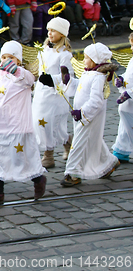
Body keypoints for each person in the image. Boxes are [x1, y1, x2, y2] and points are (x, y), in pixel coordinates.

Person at [0, 40, 47, 205]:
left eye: (11, 57)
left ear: (18, 60)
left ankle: (38, 179)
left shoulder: (23, 76)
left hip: (19, 126)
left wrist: (16, 71)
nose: (6, 61)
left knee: (22, 157)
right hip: (2, 125)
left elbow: (30, 80)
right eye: (4, 57)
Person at [60, 43, 120, 186]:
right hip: (81, 116)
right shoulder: (88, 73)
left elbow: (96, 100)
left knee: (79, 143)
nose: (84, 60)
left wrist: (82, 112)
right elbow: (80, 86)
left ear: (95, 60)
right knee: (92, 139)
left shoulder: (98, 77)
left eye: (86, 58)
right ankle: (109, 162)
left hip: (89, 116)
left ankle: (73, 173)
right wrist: (68, 81)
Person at [32, 17, 74, 169]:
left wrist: (52, 80)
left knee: (52, 124)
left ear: (62, 34)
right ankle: (64, 141)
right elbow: (39, 68)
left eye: (53, 30)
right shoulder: (43, 50)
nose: (50, 33)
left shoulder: (64, 54)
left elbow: (68, 76)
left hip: (55, 94)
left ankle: (49, 154)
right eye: (48, 30)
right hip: (41, 94)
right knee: (38, 121)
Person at [112, 33, 133, 163]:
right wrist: (122, 79)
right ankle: (121, 150)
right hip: (128, 103)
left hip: (130, 98)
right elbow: (130, 75)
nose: (131, 49)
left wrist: (129, 93)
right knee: (125, 126)